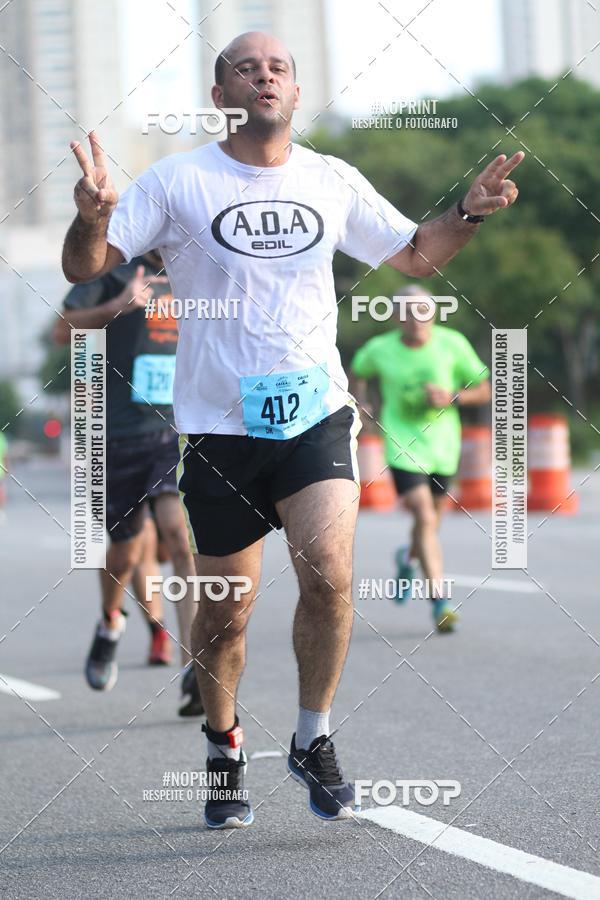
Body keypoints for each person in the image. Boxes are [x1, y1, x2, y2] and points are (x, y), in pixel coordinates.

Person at [61, 30, 522, 828]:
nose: (265, 76)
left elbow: (414, 257)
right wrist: (93, 220)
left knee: (331, 575)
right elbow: (83, 268)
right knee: (227, 612)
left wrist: (466, 213)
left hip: (314, 413)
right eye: (247, 67)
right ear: (221, 94)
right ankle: (223, 743)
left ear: (296, 94)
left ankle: (314, 736)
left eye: (279, 68)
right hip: (217, 429)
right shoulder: (178, 182)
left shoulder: (330, 178)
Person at [55, 255, 203, 716]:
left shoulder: (193, 274)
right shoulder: (111, 273)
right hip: (114, 435)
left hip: (171, 433)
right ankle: (110, 623)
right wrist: (118, 306)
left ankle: (195, 671)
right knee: (126, 549)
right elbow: (62, 329)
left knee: (178, 538)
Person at [351, 285, 491, 631]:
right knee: (425, 517)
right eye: (409, 312)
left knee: (431, 523)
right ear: (396, 316)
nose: (417, 319)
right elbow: (358, 373)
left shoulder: (452, 344)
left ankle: (407, 558)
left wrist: (453, 397)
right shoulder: (379, 349)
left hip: (444, 447)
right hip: (402, 445)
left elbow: (485, 388)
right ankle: (440, 602)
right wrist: (361, 403)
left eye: (424, 312)